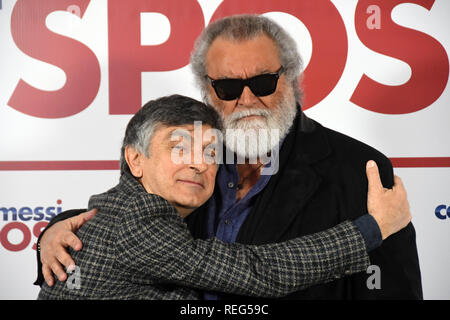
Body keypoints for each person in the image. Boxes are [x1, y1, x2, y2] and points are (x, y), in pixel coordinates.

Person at [36, 15, 421, 299]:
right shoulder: (189, 157)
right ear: (207, 89)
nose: (247, 99)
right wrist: (58, 230)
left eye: (263, 82)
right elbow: (129, 212)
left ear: (292, 78)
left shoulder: (359, 168)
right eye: (229, 86)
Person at [39, 94, 390, 299]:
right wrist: (372, 230)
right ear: (135, 160)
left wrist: (50, 229)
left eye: (210, 152)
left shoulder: (115, 208)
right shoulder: (141, 217)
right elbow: (259, 272)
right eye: (179, 147)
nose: (198, 163)